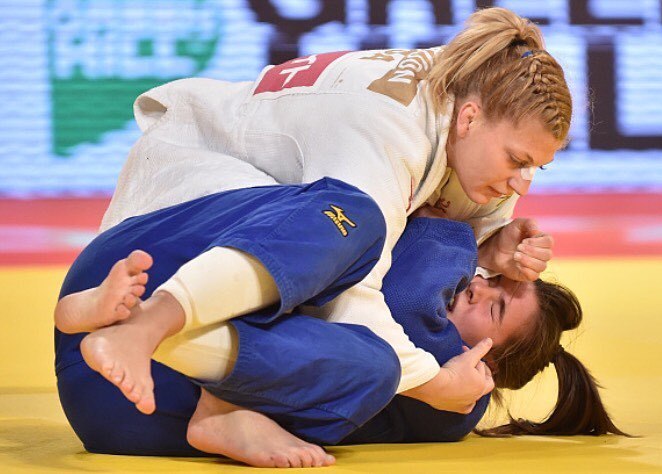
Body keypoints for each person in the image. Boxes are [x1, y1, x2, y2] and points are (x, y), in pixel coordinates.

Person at [75, 6, 573, 417]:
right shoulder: (388, 132)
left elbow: (433, 237)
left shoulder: (470, 95)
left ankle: (213, 397)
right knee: (354, 227)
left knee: (369, 332)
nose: (521, 183)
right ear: (469, 119)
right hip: (163, 228)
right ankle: (156, 333)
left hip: (216, 230)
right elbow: (351, 290)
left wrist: (488, 246)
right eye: (517, 161)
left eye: (536, 168)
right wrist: (432, 383)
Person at [54, 193, 624, 468]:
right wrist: (481, 249)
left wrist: (462, 242)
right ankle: (140, 329)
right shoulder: (439, 340)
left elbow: (415, 283)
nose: (475, 287)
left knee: (375, 364)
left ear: (486, 363)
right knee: (339, 216)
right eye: (489, 281)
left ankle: (138, 329)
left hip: (141, 399)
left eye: (494, 309)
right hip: (150, 286)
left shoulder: (456, 400)